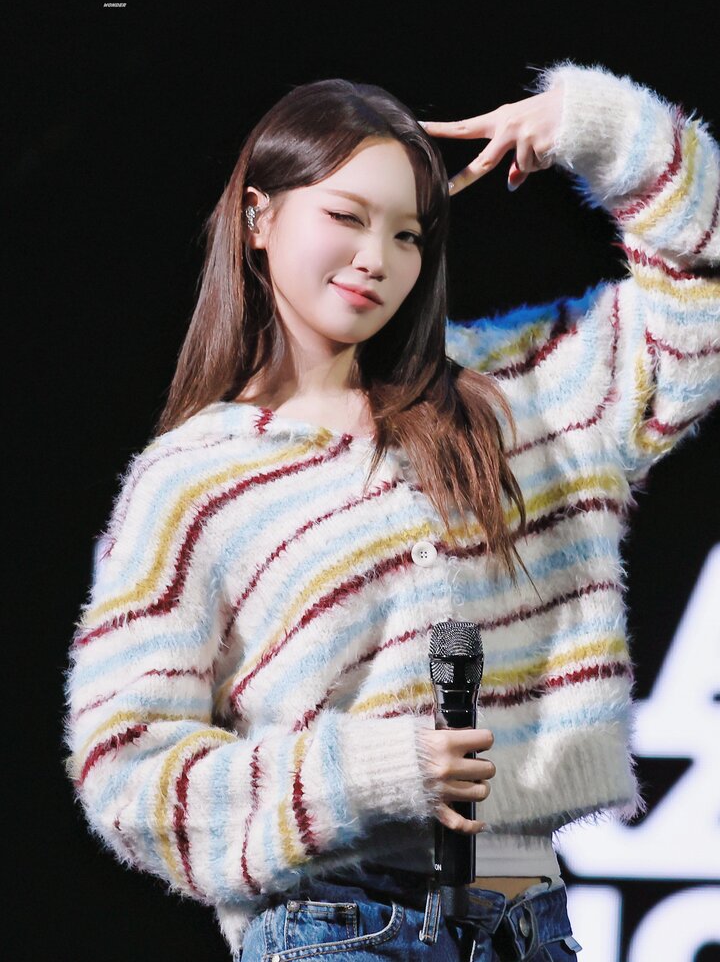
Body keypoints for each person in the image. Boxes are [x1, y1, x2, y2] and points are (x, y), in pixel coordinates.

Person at [62, 59, 720, 962]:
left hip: (525, 911)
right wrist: (374, 769)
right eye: (346, 217)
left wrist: (593, 125)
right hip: (335, 920)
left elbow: (703, 294)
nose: (377, 258)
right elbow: (125, 765)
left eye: (409, 233)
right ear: (258, 217)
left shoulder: (521, 393)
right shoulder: (191, 478)